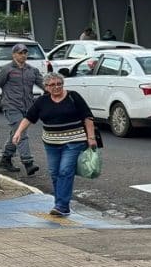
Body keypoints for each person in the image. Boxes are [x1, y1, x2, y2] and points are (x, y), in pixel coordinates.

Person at [11, 72, 96, 217]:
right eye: (52, 85)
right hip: (51, 143)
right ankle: (60, 203)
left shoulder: (73, 96)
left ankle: (62, 206)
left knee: (65, 171)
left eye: (59, 84)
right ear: (46, 87)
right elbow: (29, 117)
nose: (56, 87)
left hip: (74, 141)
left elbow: (87, 117)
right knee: (55, 173)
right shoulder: (42, 101)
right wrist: (18, 132)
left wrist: (91, 137)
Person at [0, 43, 44, 175]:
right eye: (20, 53)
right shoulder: (5, 69)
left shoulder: (32, 70)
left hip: (27, 107)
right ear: (14, 54)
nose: (23, 55)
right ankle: (28, 163)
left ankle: (5, 159)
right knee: (21, 134)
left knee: (15, 134)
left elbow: (45, 85)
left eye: (25, 53)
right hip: (11, 106)